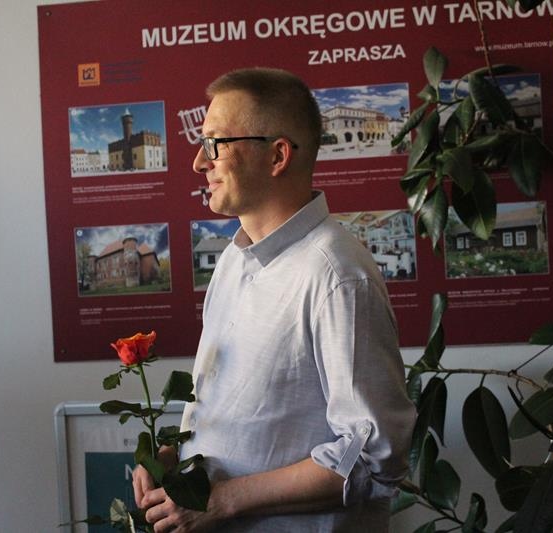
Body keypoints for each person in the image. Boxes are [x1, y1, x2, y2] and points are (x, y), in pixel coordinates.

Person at [133, 67, 415, 532]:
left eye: (215, 144)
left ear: (277, 155)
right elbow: (238, 411)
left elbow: (372, 457)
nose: (200, 163)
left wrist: (223, 501)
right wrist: (171, 459)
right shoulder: (233, 259)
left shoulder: (337, 276)